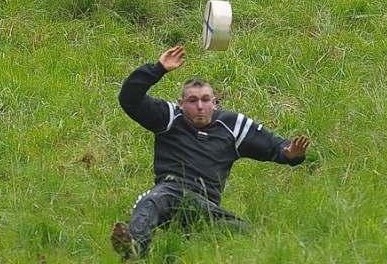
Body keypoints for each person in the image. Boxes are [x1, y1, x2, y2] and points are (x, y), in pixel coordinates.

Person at [109, 46, 310, 258]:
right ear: (181, 103)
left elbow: (274, 146)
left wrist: (291, 153)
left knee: (244, 231)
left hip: (205, 204)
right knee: (150, 201)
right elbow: (130, 98)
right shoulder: (169, 117)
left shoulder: (233, 126)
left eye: (205, 100)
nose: (199, 106)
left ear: (214, 102)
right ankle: (134, 248)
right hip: (169, 192)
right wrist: (158, 68)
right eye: (192, 100)